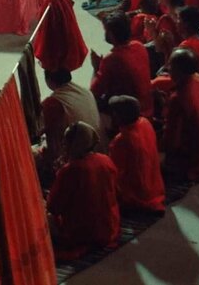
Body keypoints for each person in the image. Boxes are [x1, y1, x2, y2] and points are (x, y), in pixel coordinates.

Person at [46, 121, 120, 259]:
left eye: (66, 143)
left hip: (81, 233)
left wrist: (58, 175)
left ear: (73, 145)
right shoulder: (106, 160)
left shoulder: (70, 170)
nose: (64, 147)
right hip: (109, 227)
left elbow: (53, 207)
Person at [163, 48, 199, 180]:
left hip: (197, 158)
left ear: (179, 71)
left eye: (170, 65)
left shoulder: (178, 98)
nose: (167, 68)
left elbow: (171, 141)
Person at [37, 69, 101, 180]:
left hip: (73, 159)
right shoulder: (85, 92)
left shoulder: (53, 102)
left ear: (48, 80)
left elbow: (34, 131)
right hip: (95, 149)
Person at [107, 95, 165, 214]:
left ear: (118, 116)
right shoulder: (145, 123)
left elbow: (113, 172)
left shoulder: (122, 140)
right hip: (155, 188)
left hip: (137, 195)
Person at [91, 11, 153, 118]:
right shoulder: (139, 46)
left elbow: (94, 91)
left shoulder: (112, 59)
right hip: (148, 106)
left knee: (90, 100)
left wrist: (96, 68)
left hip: (133, 113)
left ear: (111, 34)